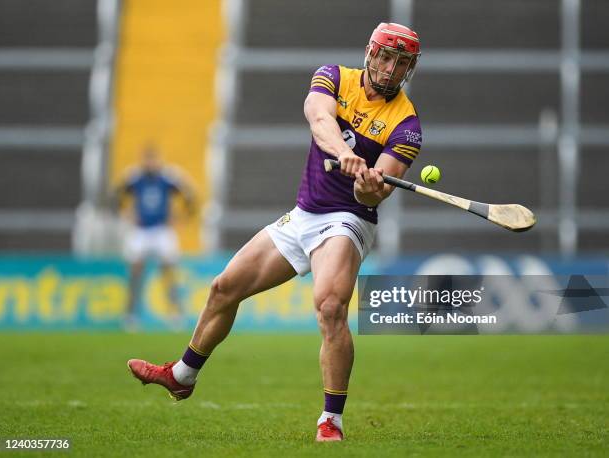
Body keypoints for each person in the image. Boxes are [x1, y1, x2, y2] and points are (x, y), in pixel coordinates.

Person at [128, 22, 422, 441]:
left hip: (348, 219)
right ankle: (182, 375)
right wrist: (346, 153)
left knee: (330, 307)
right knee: (223, 287)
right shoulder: (335, 77)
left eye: (401, 63)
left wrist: (367, 183)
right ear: (370, 52)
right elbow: (318, 119)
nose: (391, 69)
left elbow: (374, 196)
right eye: (386, 57)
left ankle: (331, 421)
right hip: (303, 214)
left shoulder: (407, 125)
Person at [114, 145, 197, 329]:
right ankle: (130, 315)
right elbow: (116, 194)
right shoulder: (135, 177)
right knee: (136, 272)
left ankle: (175, 314)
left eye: (153, 159)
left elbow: (190, 194)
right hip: (141, 230)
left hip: (161, 230)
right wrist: (125, 212)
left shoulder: (167, 177)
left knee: (169, 271)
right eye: (148, 159)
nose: (151, 163)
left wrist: (182, 216)